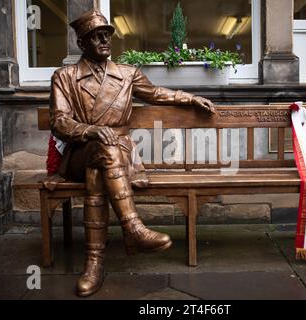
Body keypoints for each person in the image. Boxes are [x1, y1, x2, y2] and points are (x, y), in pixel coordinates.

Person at [49, 9, 215, 297]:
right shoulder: (65, 76)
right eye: (96, 36)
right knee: (101, 149)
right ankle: (133, 228)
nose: (104, 40)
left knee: (100, 168)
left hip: (116, 156)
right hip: (79, 153)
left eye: (107, 35)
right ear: (82, 43)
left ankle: (94, 263)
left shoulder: (127, 74)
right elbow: (59, 121)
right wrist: (89, 131)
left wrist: (190, 98)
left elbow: (157, 93)